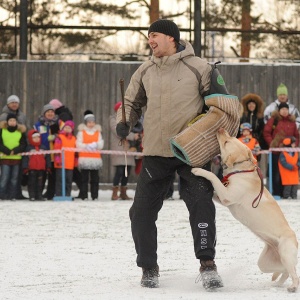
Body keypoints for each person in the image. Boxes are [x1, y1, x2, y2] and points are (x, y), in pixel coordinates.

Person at [115, 19, 232, 290]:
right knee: (141, 211)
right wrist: (124, 120)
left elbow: (222, 105)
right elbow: (130, 102)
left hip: (192, 152)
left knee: (202, 207)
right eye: (148, 36)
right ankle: (149, 267)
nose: (150, 41)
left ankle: (207, 266)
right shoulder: (144, 70)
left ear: (171, 37)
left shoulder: (200, 67)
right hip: (156, 151)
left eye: (154, 35)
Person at [263, 102, 299, 197]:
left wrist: (294, 145)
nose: (284, 111)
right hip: (276, 152)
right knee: (276, 173)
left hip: (289, 153)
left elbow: (297, 136)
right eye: (282, 109)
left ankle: (286, 193)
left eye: (286, 109)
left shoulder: (292, 122)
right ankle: (276, 192)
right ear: (279, 111)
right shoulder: (273, 120)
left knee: (288, 172)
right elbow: (266, 133)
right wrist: (273, 144)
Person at [49, 98, 82, 197]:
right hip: (66, 148)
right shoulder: (64, 113)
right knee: (69, 175)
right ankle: (66, 192)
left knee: (69, 175)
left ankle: (62, 193)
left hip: (65, 147)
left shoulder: (62, 116)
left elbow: (62, 128)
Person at [109, 101, 140, 201]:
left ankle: (123, 193)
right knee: (119, 171)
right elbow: (118, 132)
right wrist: (132, 136)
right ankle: (114, 193)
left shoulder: (129, 120)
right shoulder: (113, 119)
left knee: (127, 171)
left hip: (129, 148)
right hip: (119, 148)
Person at [0, 95, 28, 199]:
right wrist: (7, 151)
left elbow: (23, 138)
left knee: (16, 177)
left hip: (17, 155)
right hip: (5, 155)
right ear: (8, 104)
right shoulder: (3, 116)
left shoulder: (22, 115)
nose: (14, 104)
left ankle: (15, 194)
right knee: (5, 176)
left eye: (16, 102)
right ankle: (3, 194)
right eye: (12, 102)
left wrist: (18, 150)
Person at [76, 110, 104, 200]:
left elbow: (101, 144)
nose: (91, 124)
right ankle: (84, 195)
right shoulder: (81, 132)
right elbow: (78, 144)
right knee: (84, 179)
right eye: (89, 122)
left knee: (95, 179)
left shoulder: (98, 132)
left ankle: (94, 196)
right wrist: (86, 146)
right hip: (84, 159)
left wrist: (96, 145)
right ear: (86, 123)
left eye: (93, 122)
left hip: (95, 159)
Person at [34, 104, 59, 200]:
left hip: (55, 154)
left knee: (53, 175)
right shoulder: (38, 125)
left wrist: (56, 137)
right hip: (43, 154)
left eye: (52, 111)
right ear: (44, 113)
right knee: (42, 175)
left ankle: (50, 193)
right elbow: (37, 138)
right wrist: (49, 138)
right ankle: (38, 193)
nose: (50, 113)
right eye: (48, 112)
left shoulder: (58, 123)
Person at [22, 129, 51, 201]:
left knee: (40, 183)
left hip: (41, 169)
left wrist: (48, 167)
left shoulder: (43, 147)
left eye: (38, 137)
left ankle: (39, 195)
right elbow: (25, 158)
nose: (36, 139)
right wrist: (25, 167)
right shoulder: (28, 148)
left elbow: (47, 157)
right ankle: (32, 196)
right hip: (32, 169)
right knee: (31, 183)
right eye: (34, 138)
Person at [53, 120, 77, 197]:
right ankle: (59, 194)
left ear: (72, 129)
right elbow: (56, 149)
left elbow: (76, 152)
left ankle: (67, 194)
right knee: (60, 180)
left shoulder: (74, 138)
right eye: (65, 127)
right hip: (61, 163)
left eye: (69, 128)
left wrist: (75, 162)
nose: (67, 129)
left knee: (68, 180)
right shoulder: (59, 138)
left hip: (70, 164)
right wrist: (57, 160)